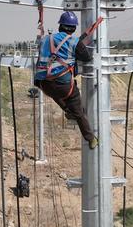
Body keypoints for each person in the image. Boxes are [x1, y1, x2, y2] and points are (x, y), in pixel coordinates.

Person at [34, 11, 99, 149]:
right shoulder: (75, 42)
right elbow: (87, 58)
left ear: (60, 26)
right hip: (64, 86)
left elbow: (40, 48)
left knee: (55, 93)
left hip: (43, 83)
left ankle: (67, 110)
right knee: (78, 112)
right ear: (74, 28)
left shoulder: (46, 39)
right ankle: (91, 139)